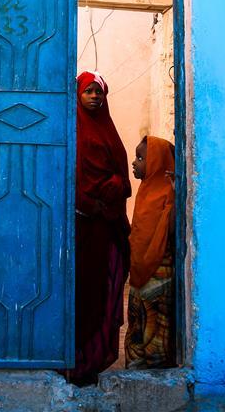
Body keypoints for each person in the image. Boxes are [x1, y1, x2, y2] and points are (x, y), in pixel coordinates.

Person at [69, 71, 131, 386]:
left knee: (103, 291)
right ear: (78, 94)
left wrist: (115, 185)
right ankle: (71, 361)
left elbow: (122, 172)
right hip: (78, 226)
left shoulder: (108, 131)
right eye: (89, 91)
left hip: (105, 227)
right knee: (77, 292)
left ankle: (90, 361)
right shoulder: (71, 130)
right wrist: (89, 202)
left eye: (99, 93)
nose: (94, 97)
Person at [125, 136, 176, 369]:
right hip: (139, 275)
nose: (134, 163)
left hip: (158, 275)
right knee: (138, 325)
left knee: (156, 330)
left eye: (141, 158)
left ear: (157, 162)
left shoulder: (168, 195)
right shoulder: (146, 192)